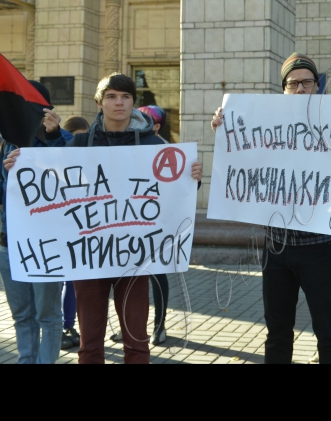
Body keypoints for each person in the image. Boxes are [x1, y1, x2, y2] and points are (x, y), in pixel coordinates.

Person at [4, 74, 203, 365]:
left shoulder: (154, 144)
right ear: (100, 103)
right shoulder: (82, 144)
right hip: (90, 261)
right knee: (90, 346)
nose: (118, 103)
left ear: (134, 102)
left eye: (125, 96)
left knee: (137, 344)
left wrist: (191, 180)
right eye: (111, 97)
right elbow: (51, 177)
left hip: (134, 260)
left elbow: (172, 194)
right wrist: (19, 168)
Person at [212, 53, 331, 365]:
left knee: (329, 332)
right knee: (277, 333)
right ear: (283, 89)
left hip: (319, 249)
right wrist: (225, 131)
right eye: (293, 83)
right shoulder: (265, 123)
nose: (301, 89)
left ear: (317, 87)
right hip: (276, 249)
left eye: (307, 82)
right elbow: (241, 162)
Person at [0, 82, 69, 364]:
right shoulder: (6, 144)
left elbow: (76, 183)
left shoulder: (64, 140)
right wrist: (7, 175)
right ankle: (26, 359)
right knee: (22, 314)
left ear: (46, 110)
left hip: (48, 246)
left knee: (48, 315)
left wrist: (52, 139)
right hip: (8, 245)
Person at [139, 105, 170, 346]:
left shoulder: (164, 148)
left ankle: (159, 325)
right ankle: (126, 325)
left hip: (155, 225)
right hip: (126, 225)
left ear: (156, 126)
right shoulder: (127, 145)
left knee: (157, 275)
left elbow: (180, 189)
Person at [59, 116, 90, 352]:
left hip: (82, 230)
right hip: (63, 229)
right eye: (76, 136)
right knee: (66, 282)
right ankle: (64, 326)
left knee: (73, 283)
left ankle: (69, 325)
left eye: (85, 136)